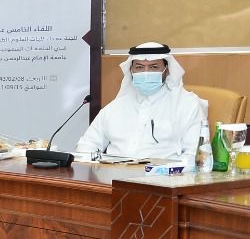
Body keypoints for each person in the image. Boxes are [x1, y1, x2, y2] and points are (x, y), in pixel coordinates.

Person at [75, 42, 204, 163]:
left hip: (161, 177)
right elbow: (87, 146)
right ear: (131, 71)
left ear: (167, 70)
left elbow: (193, 155)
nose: (146, 72)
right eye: (139, 67)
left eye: (154, 67)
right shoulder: (114, 107)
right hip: (112, 176)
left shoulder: (187, 105)